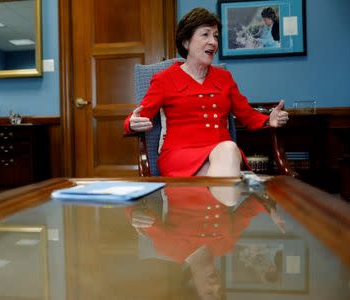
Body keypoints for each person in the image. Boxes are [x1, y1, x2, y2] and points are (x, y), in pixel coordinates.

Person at [124, 8, 289, 177]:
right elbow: (140, 115)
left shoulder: (224, 78)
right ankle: (226, 201)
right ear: (186, 42)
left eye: (216, 36)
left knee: (228, 149)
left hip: (225, 153)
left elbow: (247, 114)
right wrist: (132, 123)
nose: (213, 42)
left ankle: (216, 201)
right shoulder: (164, 79)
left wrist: (270, 119)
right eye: (205, 35)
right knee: (226, 162)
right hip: (180, 157)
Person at [126, 186, 285, 299]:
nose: (216, 286)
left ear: (191, 285)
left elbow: (140, 215)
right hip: (221, 176)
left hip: (184, 173)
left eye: (209, 293)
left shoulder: (169, 248)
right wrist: (270, 208)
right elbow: (250, 208)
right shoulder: (226, 245)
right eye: (220, 292)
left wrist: (134, 213)